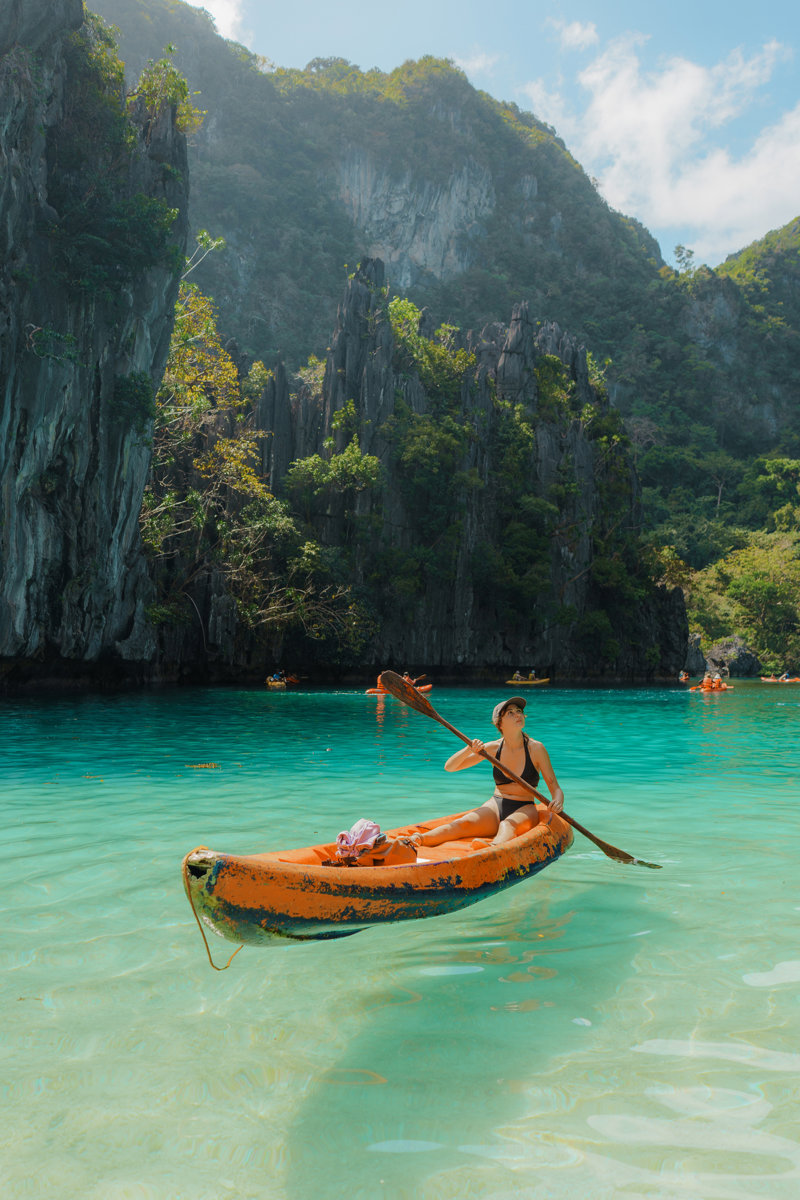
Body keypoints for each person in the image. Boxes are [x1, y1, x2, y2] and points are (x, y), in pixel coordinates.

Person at [415, 697, 564, 849]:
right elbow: (450, 767)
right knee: (463, 823)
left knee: (507, 825)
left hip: (525, 807)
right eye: (510, 713)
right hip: (496, 805)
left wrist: (558, 801)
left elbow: (555, 788)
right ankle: (416, 840)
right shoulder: (492, 748)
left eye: (519, 711)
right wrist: (468, 749)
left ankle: (492, 848)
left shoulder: (536, 748)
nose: (517, 714)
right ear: (500, 723)